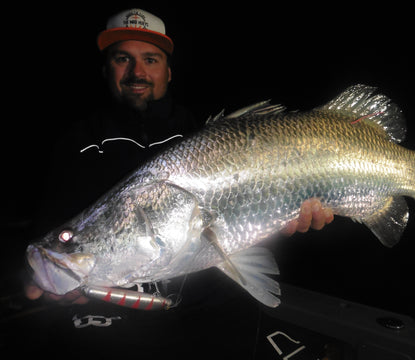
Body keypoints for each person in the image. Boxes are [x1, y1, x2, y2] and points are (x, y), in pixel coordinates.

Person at [24, 8, 333, 305]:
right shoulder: (76, 145)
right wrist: (48, 280)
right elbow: (47, 232)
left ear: (168, 72)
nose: (137, 72)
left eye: (150, 59)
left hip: (204, 307)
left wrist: (286, 218)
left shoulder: (197, 132)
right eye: (122, 59)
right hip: (113, 316)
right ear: (106, 70)